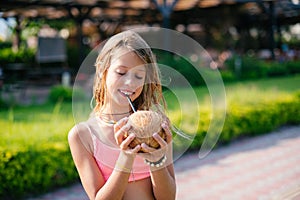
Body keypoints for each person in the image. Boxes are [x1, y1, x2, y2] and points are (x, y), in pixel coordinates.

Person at [68, 30, 176, 200]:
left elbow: (168, 198)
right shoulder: (83, 135)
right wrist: (126, 156)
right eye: (121, 72)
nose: (130, 83)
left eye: (139, 76)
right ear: (104, 71)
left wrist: (156, 161)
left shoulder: (157, 126)